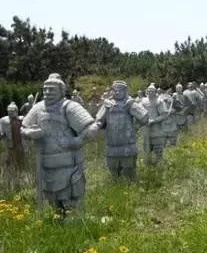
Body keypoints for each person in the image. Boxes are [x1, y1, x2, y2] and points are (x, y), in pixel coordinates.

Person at [21, 73, 99, 216]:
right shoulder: (38, 108)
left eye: (51, 89)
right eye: (45, 89)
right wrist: (29, 133)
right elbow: (23, 127)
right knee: (54, 206)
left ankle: (76, 225)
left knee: (72, 206)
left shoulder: (69, 107)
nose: (47, 92)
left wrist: (76, 141)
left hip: (69, 167)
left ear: (61, 91)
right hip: (46, 166)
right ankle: (57, 224)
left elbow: (92, 129)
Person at [95, 80, 149, 180]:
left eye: (120, 90)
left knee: (130, 175)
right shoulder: (108, 104)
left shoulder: (129, 103)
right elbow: (99, 121)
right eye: (115, 90)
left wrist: (135, 127)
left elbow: (145, 117)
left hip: (127, 147)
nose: (117, 92)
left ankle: (131, 188)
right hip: (111, 147)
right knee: (114, 175)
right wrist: (99, 124)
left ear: (125, 91)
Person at [141, 83, 169, 165]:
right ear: (147, 91)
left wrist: (153, 120)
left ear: (155, 92)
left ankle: (159, 163)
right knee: (146, 147)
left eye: (152, 91)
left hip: (156, 128)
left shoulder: (159, 101)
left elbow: (164, 115)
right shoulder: (143, 101)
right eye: (149, 91)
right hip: (146, 127)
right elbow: (139, 113)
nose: (150, 92)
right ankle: (148, 163)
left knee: (158, 146)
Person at [0, 102, 25, 169]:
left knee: (21, 157)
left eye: (12, 111)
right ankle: (10, 170)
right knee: (10, 157)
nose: (10, 112)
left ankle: (21, 169)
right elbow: (1, 130)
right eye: (9, 111)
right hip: (10, 142)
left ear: (16, 111)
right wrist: (2, 134)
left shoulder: (21, 119)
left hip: (20, 142)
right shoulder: (3, 120)